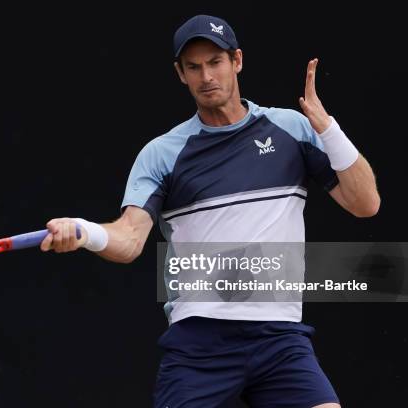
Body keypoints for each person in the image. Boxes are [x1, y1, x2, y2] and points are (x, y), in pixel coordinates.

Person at [40, 14, 379, 408]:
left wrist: (327, 129)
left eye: (215, 62)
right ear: (180, 74)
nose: (206, 76)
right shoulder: (162, 154)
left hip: (280, 339)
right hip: (200, 341)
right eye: (193, 67)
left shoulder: (291, 129)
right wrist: (84, 231)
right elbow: (130, 240)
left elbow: (366, 204)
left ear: (237, 61)